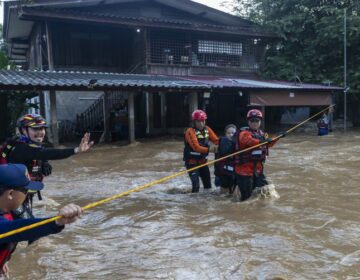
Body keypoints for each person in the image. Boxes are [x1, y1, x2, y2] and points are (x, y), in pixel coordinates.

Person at [0, 113, 93, 216]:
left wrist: (44, 161)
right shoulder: (21, 149)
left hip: (20, 193)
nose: (40, 132)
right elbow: (46, 153)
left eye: (42, 129)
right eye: (35, 129)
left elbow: (39, 152)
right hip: (11, 196)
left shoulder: (21, 142)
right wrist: (76, 150)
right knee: (24, 225)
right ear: (23, 130)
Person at [0, 164, 83, 277]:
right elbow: (17, 229)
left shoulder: (7, 208)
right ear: (10, 194)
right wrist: (56, 222)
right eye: (25, 190)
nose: (27, 195)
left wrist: (4, 260)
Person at [233, 109, 284, 201]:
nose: (254, 123)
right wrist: (261, 141)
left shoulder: (263, 134)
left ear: (260, 122)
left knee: (266, 189)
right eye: (252, 120)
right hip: (244, 170)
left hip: (257, 170)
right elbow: (248, 141)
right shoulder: (243, 133)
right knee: (246, 198)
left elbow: (269, 144)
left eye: (257, 121)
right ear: (248, 121)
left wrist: (277, 137)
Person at [183, 110, 219, 193]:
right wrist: (209, 149)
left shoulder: (207, 129)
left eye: (203, 121)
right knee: (196, 186)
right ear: (194, 122)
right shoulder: (190, 131)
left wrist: (224, 144)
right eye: (198, 121)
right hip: (192, 163)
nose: (201, 124)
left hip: (203, 162)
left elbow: (216, 140)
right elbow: (196, 147)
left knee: (208, 186)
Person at [214, 124, 237, 195]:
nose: (231, 135)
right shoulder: (221, 143)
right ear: (225, 134)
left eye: (233, 133)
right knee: (223, 195)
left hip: (234, 173)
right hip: (223, 173)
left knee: (233, 194)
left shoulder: (239, 143)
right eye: (228, 133)